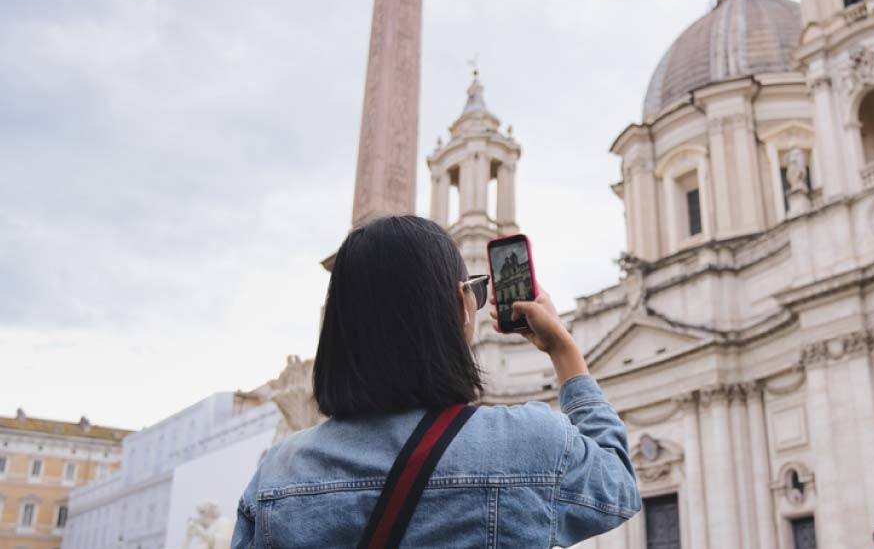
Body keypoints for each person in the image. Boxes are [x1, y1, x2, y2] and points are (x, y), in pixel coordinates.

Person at [231, 215, 641, 548]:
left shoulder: (276, 475)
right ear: (462, 306)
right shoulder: (530, 442)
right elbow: (618, 487)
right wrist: (564, 352)